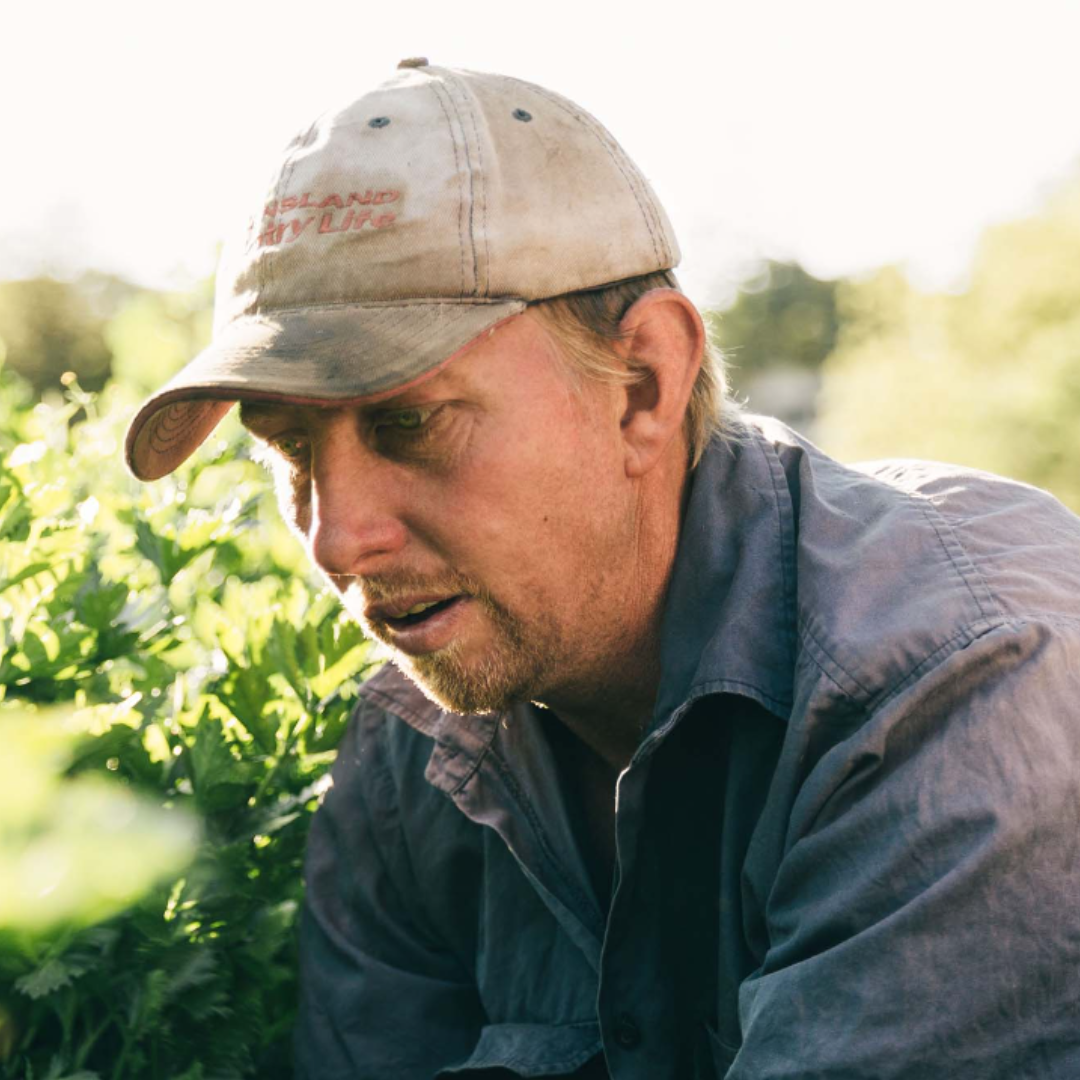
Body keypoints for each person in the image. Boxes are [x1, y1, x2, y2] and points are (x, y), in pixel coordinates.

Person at [126, 61, 1080, 1080]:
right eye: (292, 452)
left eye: (407, 422)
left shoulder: (960, 681)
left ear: (642, 384)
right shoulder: (411, 753)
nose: (334, 539)